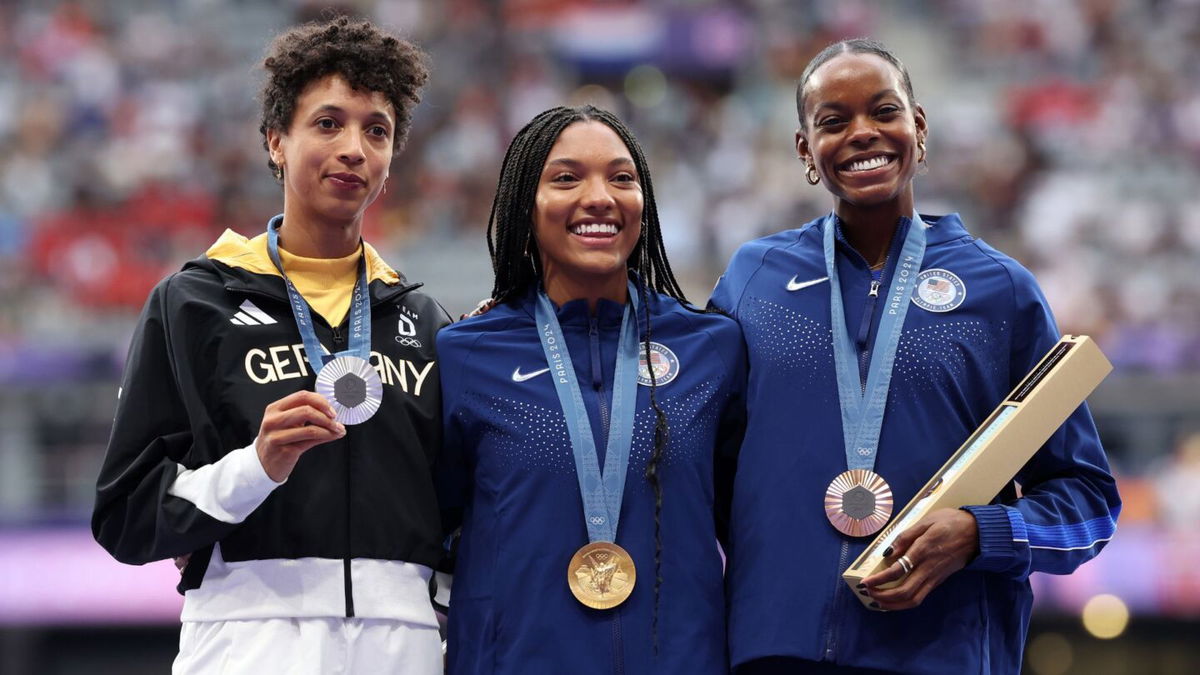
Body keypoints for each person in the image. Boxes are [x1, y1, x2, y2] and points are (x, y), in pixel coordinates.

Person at [710, 39, 1121, 674]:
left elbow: (1090, 502)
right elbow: (685, 442)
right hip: (773, 650)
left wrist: (981, 534)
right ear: (805, 151)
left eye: (884, 111)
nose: (862, 133)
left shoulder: (1000, 290)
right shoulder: (753, 278)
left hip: (940, 654)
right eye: (833, 120)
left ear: (918, 127)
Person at [91, 17, 447, 674]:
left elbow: (456, 518)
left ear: (392, 159)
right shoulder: (193, 304)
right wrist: (256, 466)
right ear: (276, 141)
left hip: (407, 647)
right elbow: (126, 515)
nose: (353, 149)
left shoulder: (424, 320)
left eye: (377, 130)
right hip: (248, 641)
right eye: (328, 123)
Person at [436, 105, 746, 674]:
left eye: (622, 177)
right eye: (566, 177)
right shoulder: (464, 355)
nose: (600, 197)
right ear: (524, 207)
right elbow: (433, 534)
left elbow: (749, 520)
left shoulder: (713, 348)